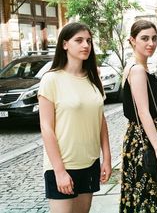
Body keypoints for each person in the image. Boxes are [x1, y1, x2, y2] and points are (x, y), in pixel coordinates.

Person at [38, 22, 112, 213]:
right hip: (63, 164)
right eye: (78, 40)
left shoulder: (93, 78)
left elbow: (100, 121)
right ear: (64, 44)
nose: (86, 45)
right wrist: (59, 171)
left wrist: (107, 159)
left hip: (90, 163)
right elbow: (46, 128)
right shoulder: (51, 79)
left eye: (88, 41)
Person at [119, 20, 157, 212]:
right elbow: (144, 112)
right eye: (144, 38)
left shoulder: (140, 68)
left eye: (153, 38)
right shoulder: (137, 70)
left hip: (144, 137)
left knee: (153, 196)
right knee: (152, 196)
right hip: (144, 141)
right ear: (132, 40)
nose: (150, 43)